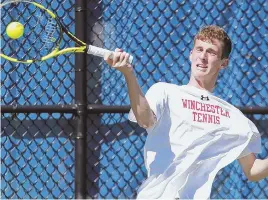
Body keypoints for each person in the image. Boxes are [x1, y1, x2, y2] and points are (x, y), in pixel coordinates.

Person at [104, 25, 268, 199]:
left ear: (224, 63)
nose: (203, 57)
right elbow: (145, 120)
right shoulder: (165, 92)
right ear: (191, 54)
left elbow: (253, 170)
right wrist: (129, 74)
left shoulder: (233, 117)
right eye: (199, 49)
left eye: (211, 52)